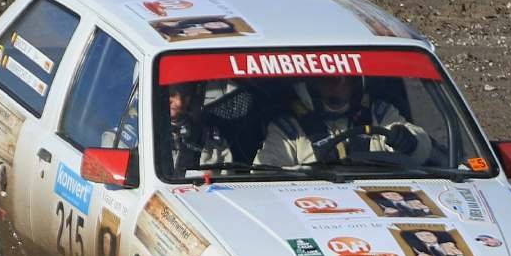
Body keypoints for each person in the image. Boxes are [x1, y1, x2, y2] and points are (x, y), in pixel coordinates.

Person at [255, 76, 431, 168]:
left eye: (347, 80)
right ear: (310, 84)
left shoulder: (379, 113)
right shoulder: (288, 129)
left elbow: (421, 144)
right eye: (329, 80)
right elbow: (267, 174)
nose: (339, 87)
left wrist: (411, 141)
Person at [166, 81, 233, 173]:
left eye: (172, 95)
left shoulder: (211, 138)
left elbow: (225, 180)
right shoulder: (147, 131)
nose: (178, 102)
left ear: (192, 100)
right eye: (168, 95)